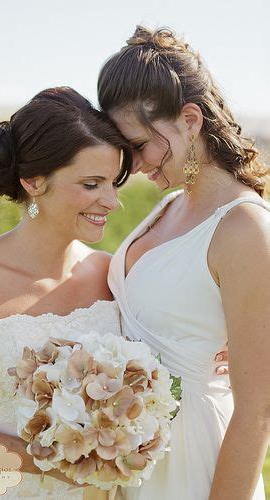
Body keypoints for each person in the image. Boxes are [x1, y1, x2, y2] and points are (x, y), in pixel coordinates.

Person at [98, 25, 269, 500]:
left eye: (138, 145)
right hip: (134, 457)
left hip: (196, 465)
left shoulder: (244, 229)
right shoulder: (169, 205)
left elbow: (258, 408)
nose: (131, 167)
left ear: (190, 119)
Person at [0, 86, 132, 499]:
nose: (111, 201)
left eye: (114, 183)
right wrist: (47, 461)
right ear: (34, 181)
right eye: (92, 183)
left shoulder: (111, 274)